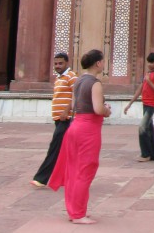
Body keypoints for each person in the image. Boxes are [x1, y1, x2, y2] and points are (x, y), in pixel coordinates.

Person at [48, 48, 112, 224]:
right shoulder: (95, 83)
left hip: (75, 126)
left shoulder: (79, 80)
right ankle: (78, 214)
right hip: (88, 130)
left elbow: (74, 104)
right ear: (98, 63)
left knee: (74, 170)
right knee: (85, 170)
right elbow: (98, 109)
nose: (103, 64)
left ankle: (76, 210)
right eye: (103, 61)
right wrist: (107, 110)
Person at [31, 52, 78, 187]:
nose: (58, 66)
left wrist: (66, 110)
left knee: (54, 148)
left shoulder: (71, 77)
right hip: (59, 119)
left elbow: (76, 95)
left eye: (60, 63)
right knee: (65, 150)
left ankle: (41, 178)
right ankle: (67, 177)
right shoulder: (59, 78)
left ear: (67, 63)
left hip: (66, 119)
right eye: (56, 63)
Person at [124, 51, 154, 162]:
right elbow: (139, 90)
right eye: (149, 62)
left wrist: (149, 81)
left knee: (142, 128)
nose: (150, 64)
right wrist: (129, 104)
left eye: (152, 62)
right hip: (145, 103)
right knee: (149, 128)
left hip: (152, 104)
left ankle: (145, 154)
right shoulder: (146, 75)